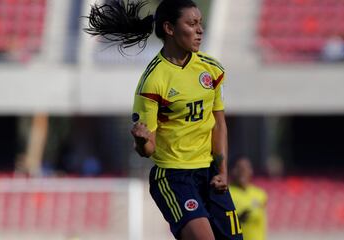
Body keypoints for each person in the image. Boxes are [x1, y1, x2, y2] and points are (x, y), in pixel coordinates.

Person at [85, 0, 243, 239]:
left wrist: (222, 171)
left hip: (209, 174)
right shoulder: (153, 81)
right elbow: (147, 149)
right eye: (191, 24)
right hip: (174, 177)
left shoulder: (212, 69)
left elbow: (218, 123)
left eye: (200, 23)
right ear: (170, 29)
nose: (200, 30)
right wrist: (141, 141)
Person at [229, 156, 268, 240]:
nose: (242, 171)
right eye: (239, 168)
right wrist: (238, 218)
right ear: (232, 171)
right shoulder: (226, 193)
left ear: (251, 171)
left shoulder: (260, 194)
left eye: (246, 168)